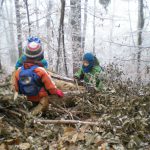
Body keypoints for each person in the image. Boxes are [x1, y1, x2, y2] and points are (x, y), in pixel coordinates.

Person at [14, 41, 64, 115]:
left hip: (26, 99)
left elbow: (16, 88)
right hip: (39, 99)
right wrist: (57, 91)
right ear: (40, 56)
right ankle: (38, 113)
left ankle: (29, 112)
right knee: (45, 97)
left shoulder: (18, 71)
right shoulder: (40, 71)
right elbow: (50, 87)